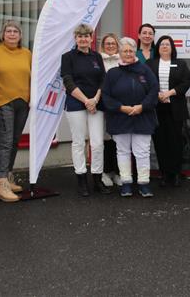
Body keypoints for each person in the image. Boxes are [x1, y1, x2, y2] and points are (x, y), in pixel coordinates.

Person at [102, 37, 159, 198]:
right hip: (120, 117)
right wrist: (121, 108)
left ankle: (143, 183)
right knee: (123, 151)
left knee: (142, 152)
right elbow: (106, 96)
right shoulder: (112, 73)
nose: (128, 53)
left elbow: (154, 90)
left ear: (135, 52)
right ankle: (126, 183)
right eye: (125, 51)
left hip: (143, 117)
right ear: (120, 52)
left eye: (131, 51)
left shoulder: (145, 69)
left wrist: (142, 106)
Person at [0, 21, 31, 203]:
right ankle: (1, 184)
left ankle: (8, 176)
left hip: (23, 102)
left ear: (20, 35)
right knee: (5, 141)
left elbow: (32, 76)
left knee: (15, 140)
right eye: (8, 31)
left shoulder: (26, 53)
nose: (12, 34)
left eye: (15, 31)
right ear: (2, 34)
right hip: (3, 101)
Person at [61, 23, 107, 196]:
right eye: (80, 36)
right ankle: (81, 179)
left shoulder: (97, 57)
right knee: (79, 142)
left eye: (86, 36)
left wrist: (95, 99)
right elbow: (68, 81)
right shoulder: (68, 57)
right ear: (75, 39)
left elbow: (103, 79)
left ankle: (97, 179)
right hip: (76, 104)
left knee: (97, 144)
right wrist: (86, 100)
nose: (83, 39)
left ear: (91, 38)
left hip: (96, 104)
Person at [147, 35, 190, 188]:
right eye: (161, 44)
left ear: (172, 48)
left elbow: (186, 82)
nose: (164, 46)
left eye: (167, 44)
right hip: (157, 108)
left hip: (175, 108)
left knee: (176, 141)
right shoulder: (150, 64)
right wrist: (157, 94)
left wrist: (170, 92)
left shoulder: (180, 64)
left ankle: (177, 173)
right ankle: (165, 174)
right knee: (160, 142)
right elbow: (145, 82)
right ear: (157, 48)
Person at [99, 33, 122, 187]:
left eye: (113, 43)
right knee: (103, 139)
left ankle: (118, 172)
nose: (110, 46)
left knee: (119, 140)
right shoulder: (98, 61)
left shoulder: (122, 60)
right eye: (107, 43)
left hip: (120, 106)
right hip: (102, 105)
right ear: (103, 46)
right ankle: (105, 172)